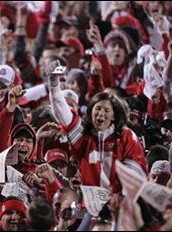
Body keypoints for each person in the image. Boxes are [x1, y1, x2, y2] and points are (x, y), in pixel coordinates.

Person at [48, 60, 147, 192]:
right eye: (97, 109)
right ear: (91, 111)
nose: (100, 114)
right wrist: (54, 84)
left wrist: (121, 202)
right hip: (88, 203)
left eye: (106, 111)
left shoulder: (126, 136)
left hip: (117, 204)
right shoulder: (84, 136)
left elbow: (136, 174)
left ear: (114, 115)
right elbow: (63, 113)